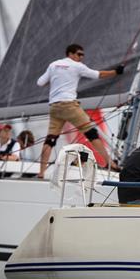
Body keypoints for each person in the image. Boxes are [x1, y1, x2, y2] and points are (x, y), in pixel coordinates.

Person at [36, 43, 123, 178]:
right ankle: (110, 164)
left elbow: (40, 82)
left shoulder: (53, 65)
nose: (81, 57)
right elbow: (98, 75)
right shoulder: (77, 66)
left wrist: (56, 79)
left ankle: (41, 172)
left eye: (82, 55)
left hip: (55, 107)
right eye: (79, 54)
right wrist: (116, 72)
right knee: (92, 133)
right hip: (69, 106)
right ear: (70, 54)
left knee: (50, 140)